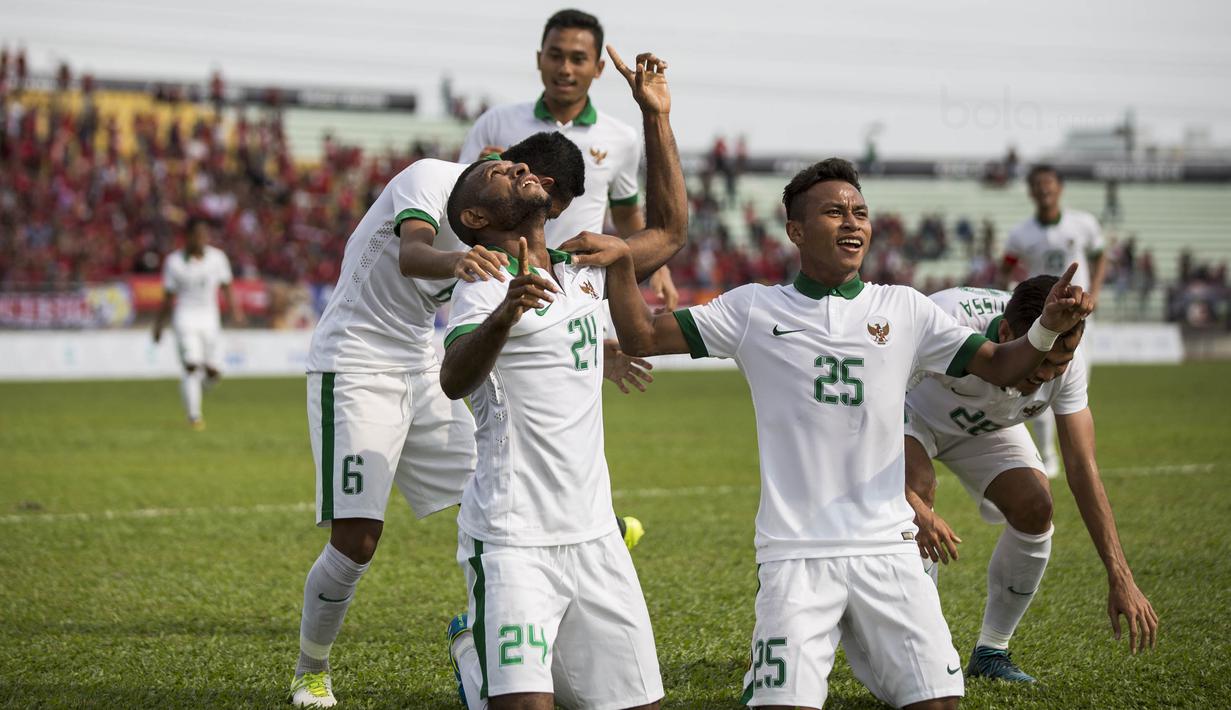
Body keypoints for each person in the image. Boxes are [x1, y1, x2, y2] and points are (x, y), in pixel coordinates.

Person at [595, 158, 1094, 709]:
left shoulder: (905, 308)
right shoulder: (752, 309)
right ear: (796, 231)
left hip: (888, 548)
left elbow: (1001, 366)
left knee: (939, 703)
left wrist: (1047, 325)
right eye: (834, 212)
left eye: (860, 212)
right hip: (795, 554)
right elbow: (640, 334)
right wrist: (622, 262)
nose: (852, 222)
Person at [289, 133, 598, 708]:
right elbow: (412, 255)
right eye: (513, 171)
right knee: (357, 539)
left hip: (422, 363)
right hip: (355, 363)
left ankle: (478, 643)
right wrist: (457, 260)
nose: (521, 179)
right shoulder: (430, 178)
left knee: (493, 501)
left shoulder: (502, 226)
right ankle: (311, 670)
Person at [441, 47, 685, 710]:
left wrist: (654, 117)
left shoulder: (586, 266)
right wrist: (504, 316)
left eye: (519, 165)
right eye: (498, 173)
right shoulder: (483, 282)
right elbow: (452, 379)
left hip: (597, 537)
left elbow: (669, 230)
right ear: (476, 220)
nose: (515, 167)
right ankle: (474, 652)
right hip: (512, 536)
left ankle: (482, 652)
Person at [902, 280, 1158, 684]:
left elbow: (1082, 467)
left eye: (1058, 365)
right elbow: (872, 400)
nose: (1044, 376)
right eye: (1039, 362)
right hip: (911, 410)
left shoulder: (1065, 360)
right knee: (917, 486)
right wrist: (910, 500)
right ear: (1005, 335)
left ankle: (992, 650)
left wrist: (1120, 575)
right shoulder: (945, 317)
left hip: (983, 429)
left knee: (1035, 506)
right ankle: (922, 646)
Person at [459, 8, 678, 312]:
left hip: (578, 289)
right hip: (503, 283)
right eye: (555, 55)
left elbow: (626, 215)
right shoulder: (495, 122)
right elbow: (460, 203)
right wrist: (478, 170)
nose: (565, 68)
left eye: (578, 59)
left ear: (599, 67)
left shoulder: (621, 137)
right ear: (539, 59)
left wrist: (656, 263)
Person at [999, 164, 1107, 478]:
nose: (1044, 189)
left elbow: (1101, 256)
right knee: (1041, 380)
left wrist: (1096, 291)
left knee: (1075, 383)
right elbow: (1005, 268)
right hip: (1040, 319)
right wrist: (1012, 298)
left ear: (1059, 188)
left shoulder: (1083, 224)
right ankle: (1046, 456)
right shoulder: (1021, 233)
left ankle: (1071, 456)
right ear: (1031, 191)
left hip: (1080, 318)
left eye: (1049, 183)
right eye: (1038, 185)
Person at [151, 215, 244, 430]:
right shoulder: (174, 262)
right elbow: (168, 297)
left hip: (210, 317)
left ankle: (195, 387)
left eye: (205, 234)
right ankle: (194, 416)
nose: (203, 238)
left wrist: (235, 311)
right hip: (185, 316)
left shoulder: (217, 258)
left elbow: (227, 286)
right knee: (191, 365)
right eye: (198, 235)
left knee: (214, 371)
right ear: (188, 237)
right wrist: (158, 326)